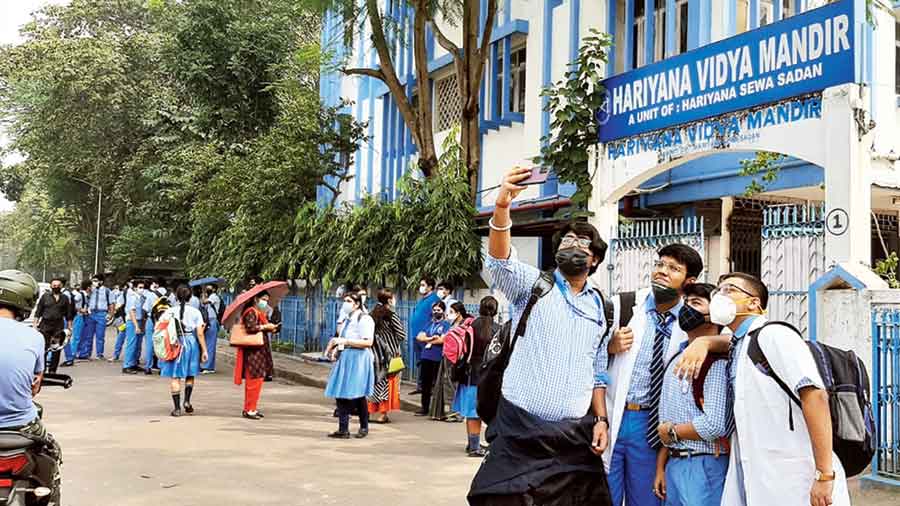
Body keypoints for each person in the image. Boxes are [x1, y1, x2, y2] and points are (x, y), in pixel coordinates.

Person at [468, 167, 612, 506]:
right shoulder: (534, 287)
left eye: (582, 243)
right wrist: (502, 206)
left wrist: (601, 420)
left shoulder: (602, 308)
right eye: (566, 241)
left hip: (575, 441)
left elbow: (598, 368)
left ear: (594, 259)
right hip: (519, 434)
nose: (572, 246)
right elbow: (501, 262)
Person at [706, 273, 849, 506]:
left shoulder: (775, 335)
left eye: (729, 290)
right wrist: (705, 342)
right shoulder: (739, 345)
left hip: (798, 476)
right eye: (717, 291)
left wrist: (824, 474)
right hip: (762, 476)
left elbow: (815, 395)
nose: (719, 297)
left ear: (754, 303)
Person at [604, 243, 703, 506]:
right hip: (612, 416)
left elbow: (725, 343)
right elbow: (588, 356)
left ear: (689, 281)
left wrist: (706, 343)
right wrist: (609, 348)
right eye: (660, 264)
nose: (662, 271)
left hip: (650, 427)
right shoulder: (622, 307)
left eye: (673, 268)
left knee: (647, 498)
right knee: (602, 496)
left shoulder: (692, 321)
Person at [652, 282, 731, 506]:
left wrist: (672, 432)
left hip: (704, 465)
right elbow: (667, 420)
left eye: (696, 303)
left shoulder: (716, 363)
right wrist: (662, 466)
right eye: (686, 303)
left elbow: (715, 425)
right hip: (675, 464)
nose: (687, 308)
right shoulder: (677, 355)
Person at [0, 270, 61, 463]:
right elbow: (35, 386)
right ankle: (48, 492)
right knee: (51, 450)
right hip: (20, 425)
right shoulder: (34, 337)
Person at [324, 292, 375, 438]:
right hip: (346, 357)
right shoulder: (347, 319)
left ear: (357, 304)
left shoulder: (364, 319)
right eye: (344, 301)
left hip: (358, 359)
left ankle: (364, 426)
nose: (345, 304)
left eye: (348, 301)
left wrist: (345, 342)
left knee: (357, 394)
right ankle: (343, 428)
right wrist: (336, 349)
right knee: (341, 394)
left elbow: (368, 342)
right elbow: (342, 338)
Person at [453, 296, 499, 458]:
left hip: (469, 373)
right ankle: (478, 446)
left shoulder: (470, 325)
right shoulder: (498, 329)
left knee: (472, 412)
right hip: (489, 376)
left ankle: (472, 444)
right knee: (488, 412)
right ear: (495, 310)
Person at [159, 285, 208, 417]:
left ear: (176, 296)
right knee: (190, 374)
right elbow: (200, 334)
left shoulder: (169, 311)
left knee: (175, 377)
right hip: (190, 343)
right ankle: (187, 401)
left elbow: (160, 328)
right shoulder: (195, 312)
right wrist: (204, 350)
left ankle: (176, 408)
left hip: (175, 344)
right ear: (190, 296)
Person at [233, 291, 277, 420]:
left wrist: (270, 327)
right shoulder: (251, 312)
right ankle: (249, 409)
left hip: (258, 351)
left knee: (257, 381)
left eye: (267, 300)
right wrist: (265, 327)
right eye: (263, 299)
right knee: (254, 381)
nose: (265, 302)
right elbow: (250, 328)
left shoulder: (258, 313)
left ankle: (251, 408)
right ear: (256, 299)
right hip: (253, 352)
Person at [367, 288, 406, 424]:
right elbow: (401, 334)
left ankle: (371, 411)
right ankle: (382, 414)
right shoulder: (391, 315)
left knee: (376, 381)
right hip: (391, 353)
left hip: (375, 352)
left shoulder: (372, 314)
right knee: (388, 383)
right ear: (389, 300)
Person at [430, 301, 469, 422]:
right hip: (447, 357)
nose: (449, 315)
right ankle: (449, 411)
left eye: (451, 312)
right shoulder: (453, 325)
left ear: (458, 313)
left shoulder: (464, 327)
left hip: (456, 359)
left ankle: (456, 413)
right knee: (446, 384)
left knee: (453, 385)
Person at [415, 301, 450, 417]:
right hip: (426, 356)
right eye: (434, 310)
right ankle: (424, 407)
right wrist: (431, 339)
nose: (436, 312)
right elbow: (419, 336)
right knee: (425, 383)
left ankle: (436, 409)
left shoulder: (445, 325)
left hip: (437, 357)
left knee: (436, 384)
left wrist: (428, 339)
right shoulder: (429, 324)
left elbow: (442, 340)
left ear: (443, 311)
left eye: (438, 310)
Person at [32, 277, 73, 374]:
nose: (56, 287)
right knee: (44, 348)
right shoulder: (45, 297)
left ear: (61, 286)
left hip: (58, 325)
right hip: (45, 325)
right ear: (51, 286)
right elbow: (38, 311)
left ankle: (52, 371)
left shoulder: (65, 298)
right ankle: (41, 370)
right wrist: (35, 324)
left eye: (58, 286)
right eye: (54, 285)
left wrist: (70, 328)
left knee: (56, 348)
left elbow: (69, 314)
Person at [408, 277, 439, 395]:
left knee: (427, 363)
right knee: (419, 362)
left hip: (425, 336)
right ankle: (420, 386)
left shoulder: (434, 299)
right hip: (416, 335)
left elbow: (435, 317)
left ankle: (428, 387)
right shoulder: (422, 299)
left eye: (423, 285)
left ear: (430, 287)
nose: (421, 287)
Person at [78, 273, 114, 359]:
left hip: (102, 314)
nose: (94, 282)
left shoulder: (107, 291)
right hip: (91, 314)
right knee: (88, 335)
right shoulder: (90, 290)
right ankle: (87, 353)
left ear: (101, 281)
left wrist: (110, 314)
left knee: (100, 336)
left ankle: (99, 354)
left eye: (96, 281)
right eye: (93, 281)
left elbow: (111, 304)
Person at [121, 280, 146, 374]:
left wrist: (142, 325)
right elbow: (132, 312)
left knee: (138, 345)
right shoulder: (132, 297)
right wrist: (136, 326)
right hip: (132, 322)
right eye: (140, 287)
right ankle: (127, 365)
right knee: (131, 344)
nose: (142, 289)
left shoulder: (141, 297)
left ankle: (134, 363)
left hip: (139, 321)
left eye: (143, 287)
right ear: (135, 288)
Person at [63, 280, 90, 366]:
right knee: (76, 336)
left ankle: (81, 353)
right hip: (78, 316)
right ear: (88, 287)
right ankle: (73, 353)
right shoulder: (79, 295)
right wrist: (80, 309)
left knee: (83, 336)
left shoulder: (84, 295)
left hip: (82, 316)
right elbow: (72, 304)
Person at [141, 279, 165, 374]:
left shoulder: (151, 294)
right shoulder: (171, 295)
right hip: (164, 322)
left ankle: (148, 367)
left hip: (152, 320)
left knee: (149, 344)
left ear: (157, 284)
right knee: (162, 344)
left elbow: (145, 309)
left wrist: (143, 322)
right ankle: (162, 367)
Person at [200, 284, 222, 374]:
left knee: (210, 344)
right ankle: (209, 366)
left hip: (212, 321)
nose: (207, 289)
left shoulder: (214, 297)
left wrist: (203, 295)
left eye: (210, 287)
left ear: (214, 289)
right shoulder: (211, 297)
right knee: (208, 343)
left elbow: (204, 302)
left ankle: (208, 366)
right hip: (208, 321)